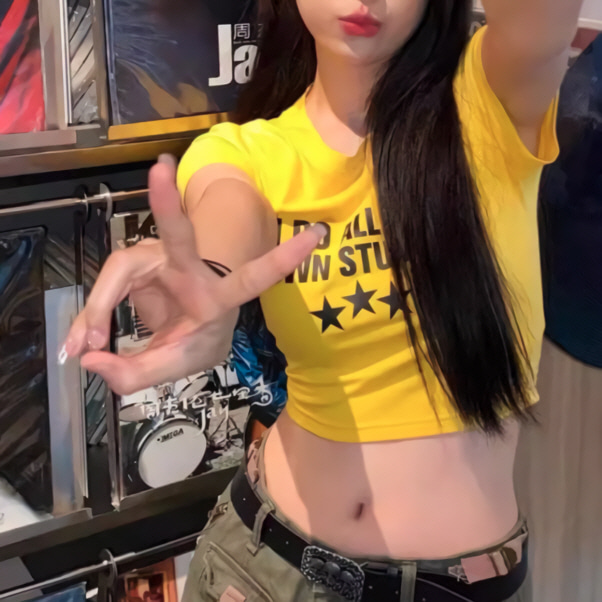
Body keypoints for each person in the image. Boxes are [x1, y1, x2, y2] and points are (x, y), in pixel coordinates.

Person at [63, 0, 582, 600]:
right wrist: (208, 278)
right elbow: (228, 209)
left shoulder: (490, 98)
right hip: (263, 571)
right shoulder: (245, 150)